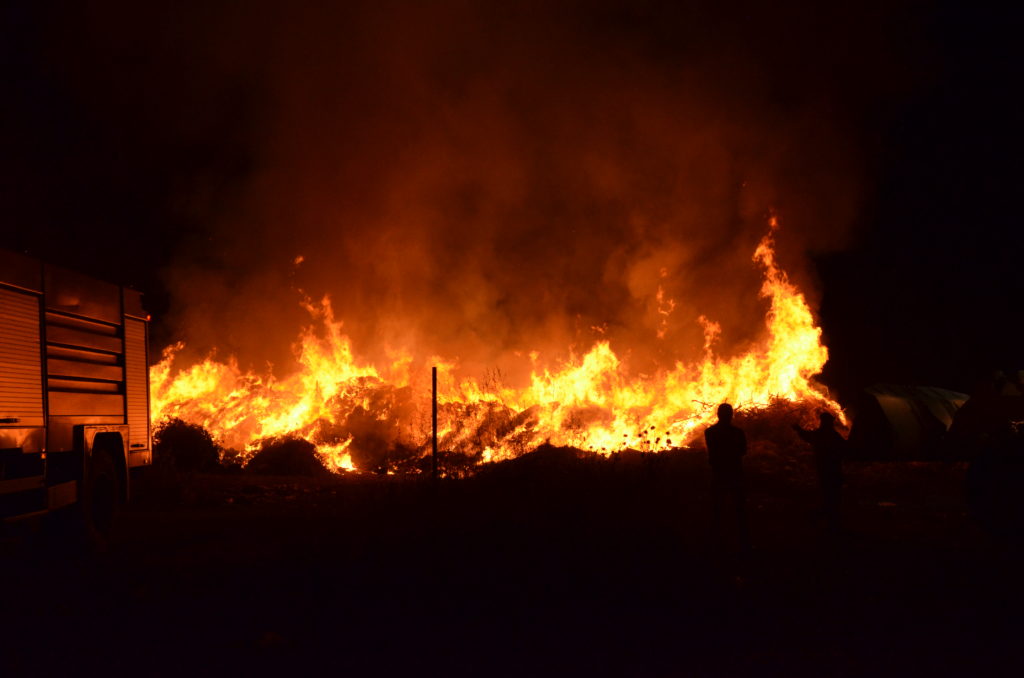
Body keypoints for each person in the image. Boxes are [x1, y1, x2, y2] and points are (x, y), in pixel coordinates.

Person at [705, 403, 750, 550]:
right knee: (739, 508)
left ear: (718, 415)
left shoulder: (710, 432)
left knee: (717, 507)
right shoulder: (738, 433)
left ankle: (715, 540)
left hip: (719, 472)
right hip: (734, 472)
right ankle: (743, 540)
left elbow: (712, 451)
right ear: (731, 415)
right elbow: (743, 451)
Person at [794, 411, 847, 534]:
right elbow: (844, 447)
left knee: (828, 492)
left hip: (825, 467)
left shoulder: (823, 434)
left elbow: (808, 436)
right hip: (833, 468)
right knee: (832, 493)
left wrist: (799, 430)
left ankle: (829, 518)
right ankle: (832, 519)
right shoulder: (833, 435)